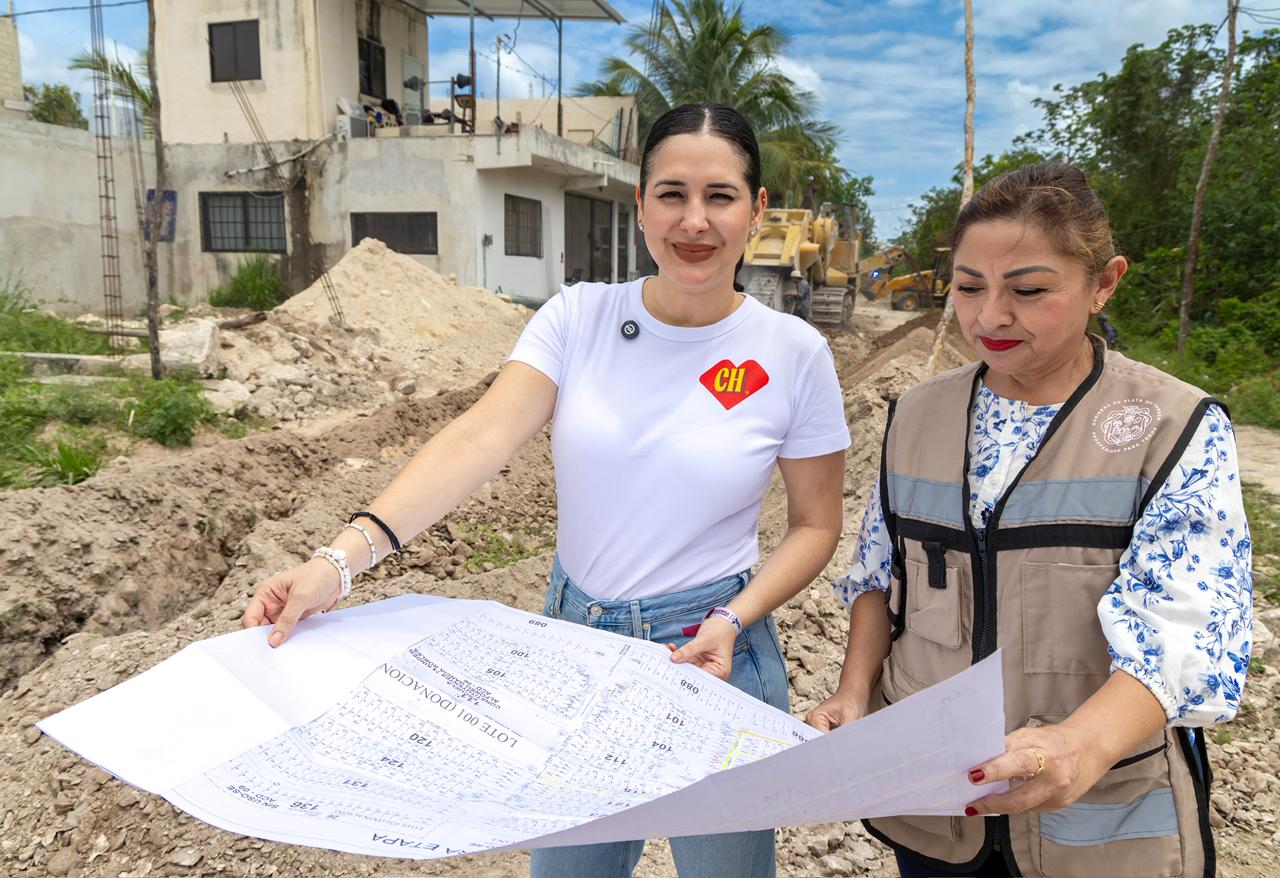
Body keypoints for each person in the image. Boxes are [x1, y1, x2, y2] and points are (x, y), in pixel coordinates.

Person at [242, 102, 850, 878]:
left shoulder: (794, 353)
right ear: (639, 205)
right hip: (576, 645)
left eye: (720, 196)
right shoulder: (578, 318)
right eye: (671, 194)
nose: (694, 221)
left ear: (757, 210)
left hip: (713, 651)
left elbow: (815, 524)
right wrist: (338, 562)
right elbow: (478, 438)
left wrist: (735, 616)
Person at [806, 162, 1252, 878]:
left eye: (1029, 291)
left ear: (1104, 282)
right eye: (969, 286)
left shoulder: (1173, 428)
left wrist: (1080, 747)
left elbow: (1184, 631)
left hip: (1096, 815)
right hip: (937, 804)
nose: (989, 318)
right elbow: (879, 574)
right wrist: (854, 692)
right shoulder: (916, 415)